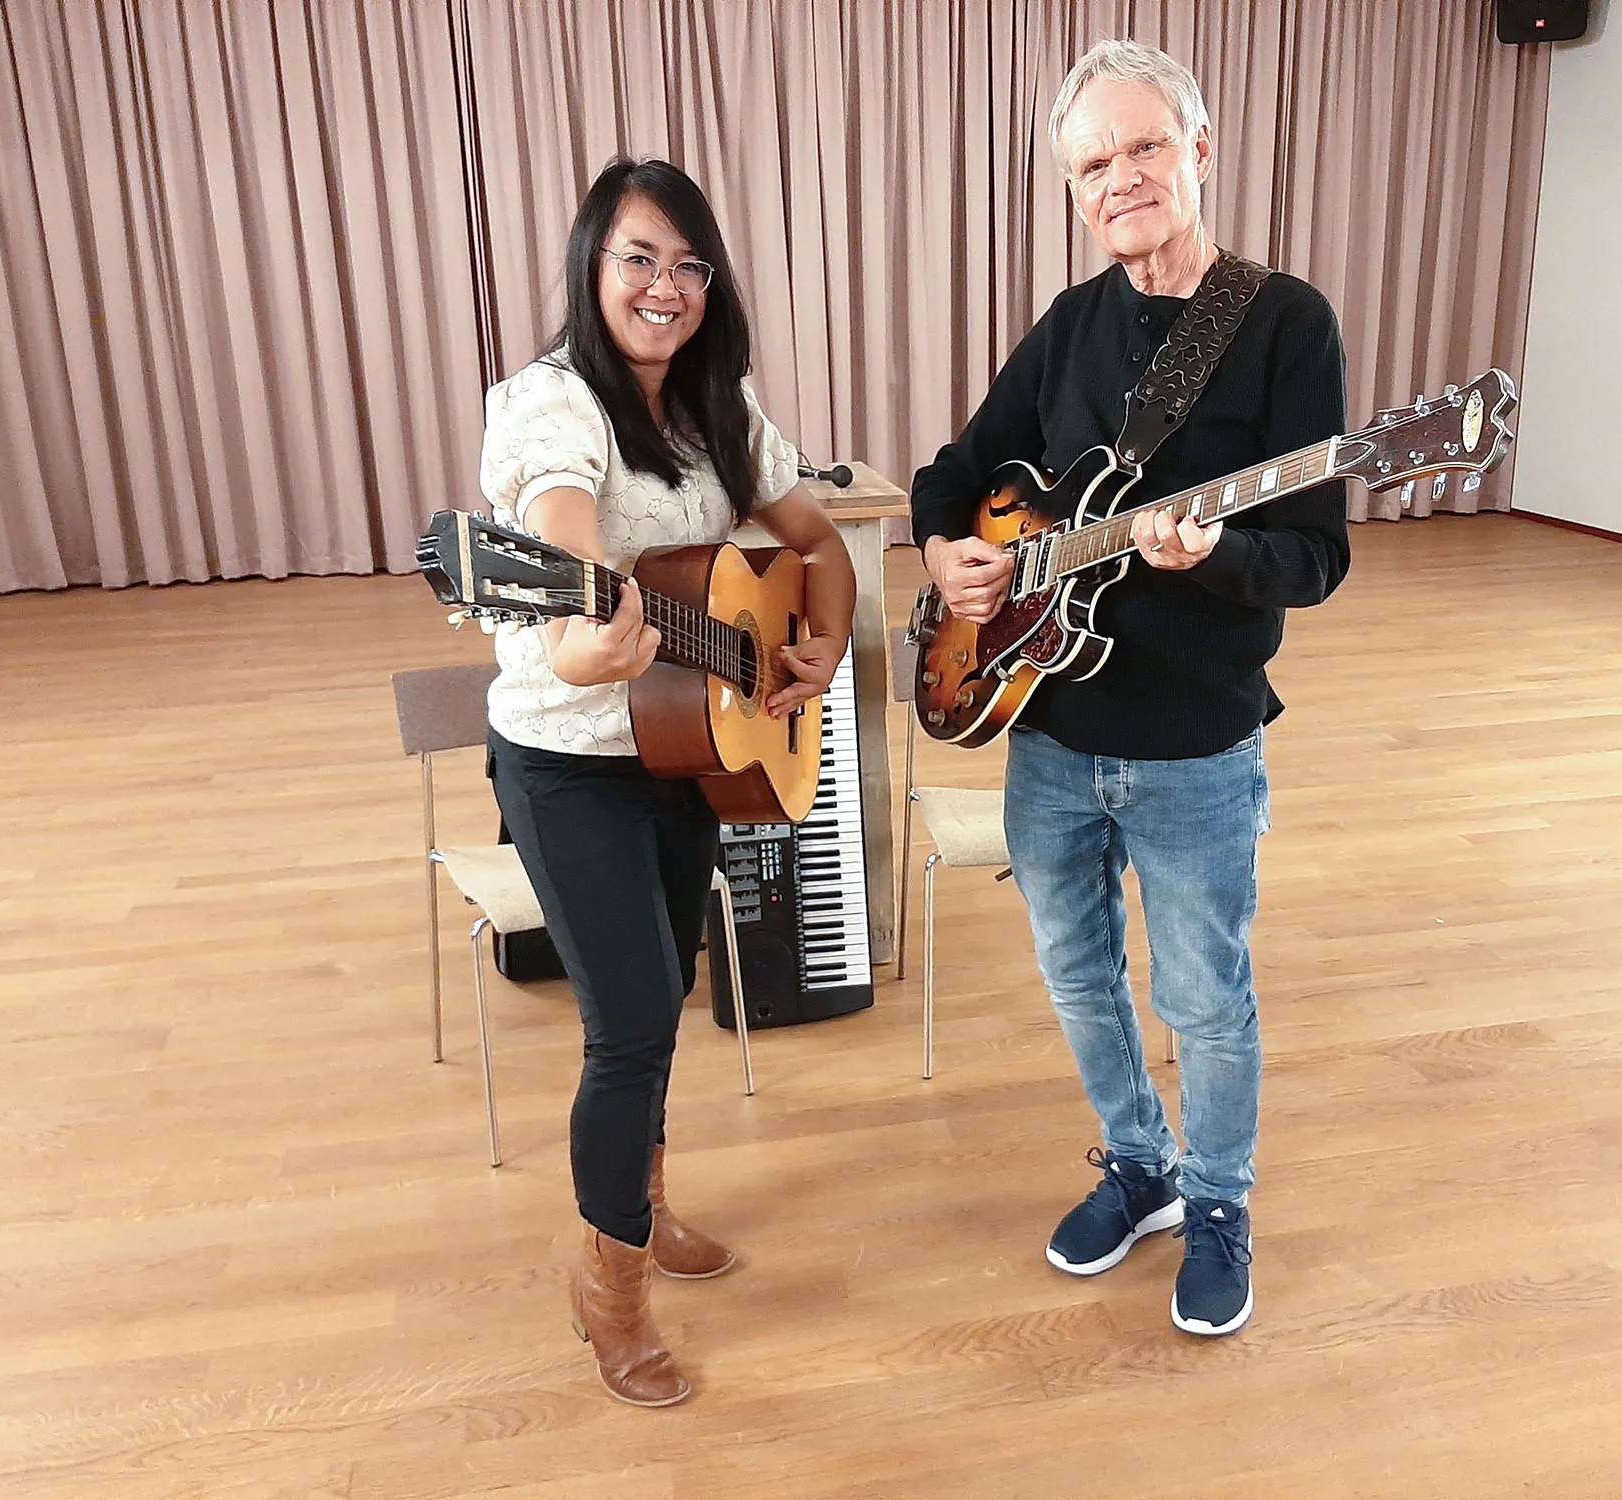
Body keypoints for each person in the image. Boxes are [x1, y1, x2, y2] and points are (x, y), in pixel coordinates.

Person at [909, 40, 1349, 1337]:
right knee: (1078, 972)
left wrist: (1216, 553)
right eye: (1094, 163)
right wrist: (952, 554)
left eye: (1144, 147)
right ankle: (1139, 1164)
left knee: (1205, 994)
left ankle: (1218, 1199)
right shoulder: (1070, 326)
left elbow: (1315, 556)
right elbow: (957, 471)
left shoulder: (1285, 323)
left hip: (1197, 744)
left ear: (1198, 150)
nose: (1122, 179)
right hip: (1049, 728)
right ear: (1074, 190)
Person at [479, 157, 855, 1406]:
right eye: (637, 257)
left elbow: (814, 546)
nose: (664, 285)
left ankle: (638, 1208)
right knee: (630, 1023)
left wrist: (822, 643)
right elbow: (563, 541)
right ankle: (612, 1292)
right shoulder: (546, 408)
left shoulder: (715, 407)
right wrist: (588, 635)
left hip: (685, 752)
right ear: (592, 266)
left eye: (687, 264)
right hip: (567, 762)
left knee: (669, 993)